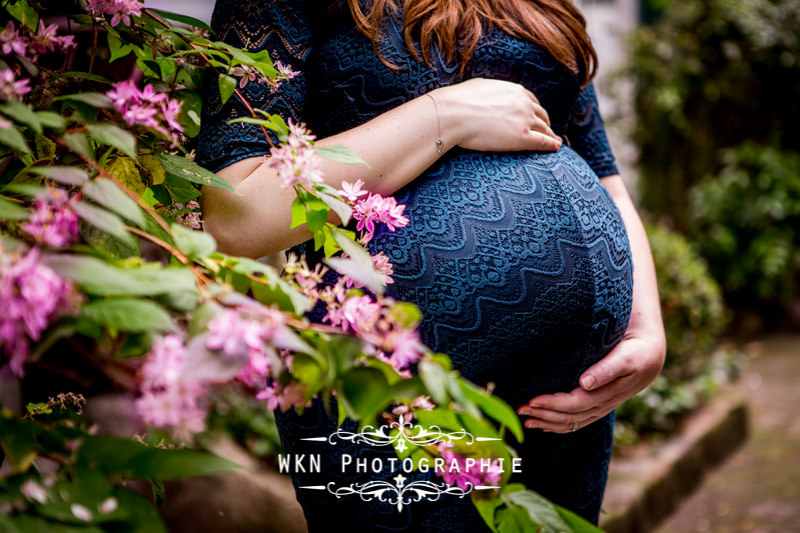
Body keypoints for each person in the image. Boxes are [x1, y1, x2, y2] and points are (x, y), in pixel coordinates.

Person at [197, 0, 666, 530]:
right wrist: (448, 116)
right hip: (385, 393)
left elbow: (604, 177)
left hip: (565, 404)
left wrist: (646, 330)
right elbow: (235, 214)